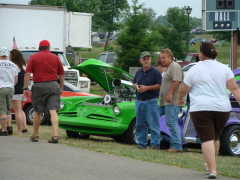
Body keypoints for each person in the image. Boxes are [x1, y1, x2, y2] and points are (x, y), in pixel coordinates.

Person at [178, 42, 240, 179]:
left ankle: (212, 170)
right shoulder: (224, 68)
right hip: (222, 108)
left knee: (206, 138)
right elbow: (234, 88)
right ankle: (210, 165)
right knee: (215, 137)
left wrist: (179, 99)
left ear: (201, 54)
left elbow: (184, 89)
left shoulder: (194, 69)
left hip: (201, 107)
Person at [23, 40, 64, 143]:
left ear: (39, 48)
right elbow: (62, 75)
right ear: (49, 47)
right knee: (53, 110)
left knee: (37, 111)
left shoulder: (33, 57)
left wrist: (25, 88)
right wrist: (61, 87)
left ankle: (35, 135)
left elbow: (27, 74)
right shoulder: (55, 58)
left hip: (39, 85)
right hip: (54, 85)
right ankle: (55, 135)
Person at [133, 51, 162, 149]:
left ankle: (155, 144)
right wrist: (135, 86)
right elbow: (134, 83)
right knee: (140, 123)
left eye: (148, 59)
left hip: (151, 101)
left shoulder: (155, 72)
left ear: (150, 60)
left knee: (153, 124)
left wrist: (147, 88)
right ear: (140, 60)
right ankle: (141, 143)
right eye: (144, 59)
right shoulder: (138, 72)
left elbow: (159, 85)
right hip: (139, 100)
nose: (146, 61)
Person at [159, 48, 183, 153]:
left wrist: (170, 93)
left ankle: (177, 145)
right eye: (161, 58)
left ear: (170, 57)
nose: (162, 60)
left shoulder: (175, 66)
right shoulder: (169, 68)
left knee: (172, 122)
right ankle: (172, 142)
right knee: (169, 122)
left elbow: (176, 81)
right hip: (167, 101)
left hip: (173, 100)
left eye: (163, 57)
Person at [0, 47, 18, 136]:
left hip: (1, 88)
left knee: (2, 110)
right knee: (8, 109)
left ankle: (3, 130)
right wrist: (11, 85)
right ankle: (9, 126)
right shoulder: (13, 65)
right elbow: (16, 79)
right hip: (11, 88)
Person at [9, 49, 28, 134]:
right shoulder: (24, 66)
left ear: (13, 56)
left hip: (16, 90)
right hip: (24, 90)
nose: (9, 57)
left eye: (10, 55)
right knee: (20, 110)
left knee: (17, 111)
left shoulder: (13, 66)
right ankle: (25, 126)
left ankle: (19, 130)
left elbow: (14, 79)